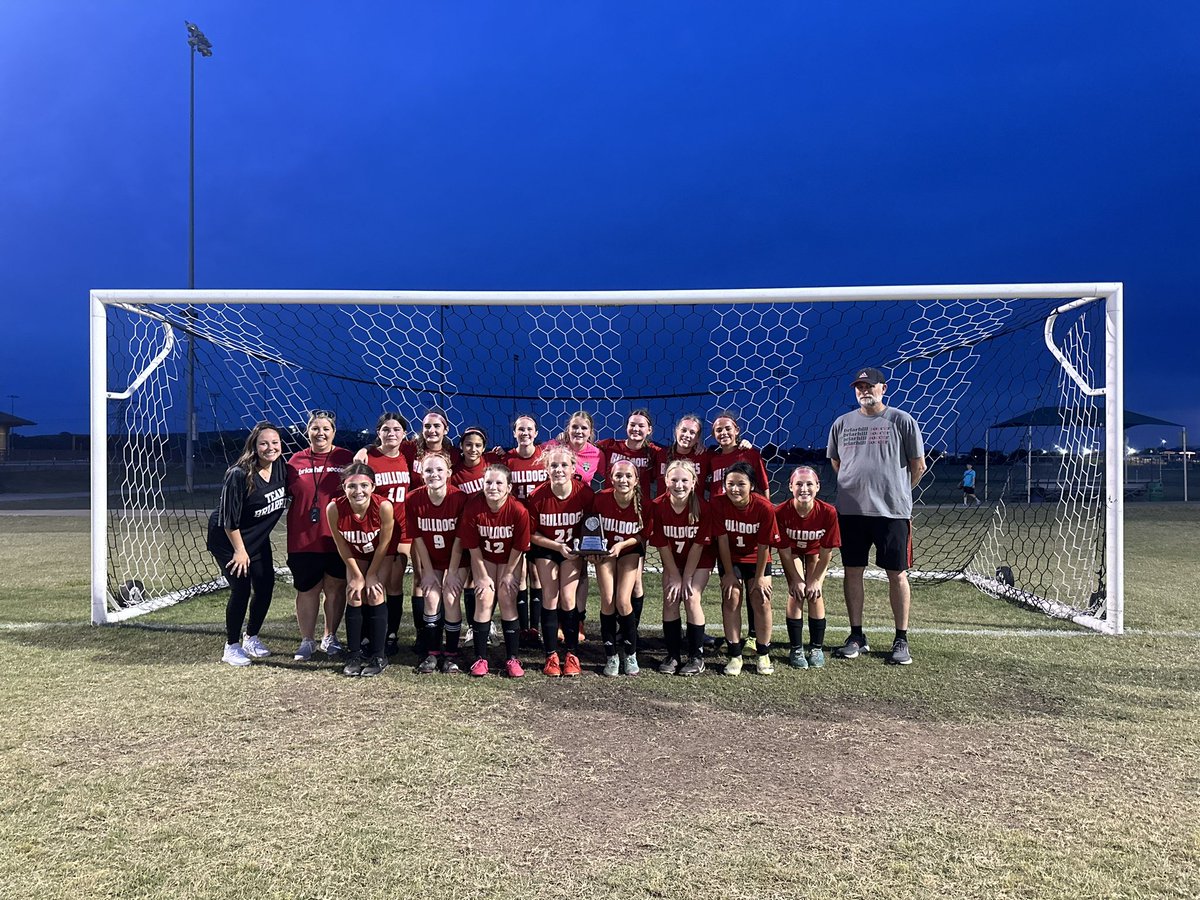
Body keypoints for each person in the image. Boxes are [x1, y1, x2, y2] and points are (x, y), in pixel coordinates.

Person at [827, 366, 926, 665]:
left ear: (883, 388)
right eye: (859, 387)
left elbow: (917, 466)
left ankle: (901, 639)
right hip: (851, 512)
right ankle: (857, 635)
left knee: (896, 574)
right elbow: (836, 462)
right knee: (852, 571)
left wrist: (896, 491)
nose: (864, 391)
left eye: (870, 386)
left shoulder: (901, 420)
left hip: (891, 512)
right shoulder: (842, 423)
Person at [207, 423, 288, 666]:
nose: (270, 447)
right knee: (241, 588)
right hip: (228, 540)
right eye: (264, 443)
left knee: (265, 585)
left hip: (256, 539)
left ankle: (250, 637)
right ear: (254, 446)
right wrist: (240, 551)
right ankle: (231, 646)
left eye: (275, 442)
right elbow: (229, 519)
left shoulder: (282, 468)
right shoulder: (239, 474)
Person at [286, 410, 354, 661]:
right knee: (307, 589)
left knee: (336, 587)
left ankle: (330, 636)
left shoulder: (345, 458)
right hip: (303, 539)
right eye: (315, 428)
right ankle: (307, 641)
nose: (321, 433)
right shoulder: (294, 461)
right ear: (308, 432)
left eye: (326, 428)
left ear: (334, 432)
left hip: (337, 537)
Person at [453, 463, 531, 677]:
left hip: (509, 559)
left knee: (506, 597)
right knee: (485, 598)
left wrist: (508, 573)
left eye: (499, 483)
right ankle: (480, 658)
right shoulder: (473, 507)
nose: (493, 487)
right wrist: (482, 576)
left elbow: (519, 547)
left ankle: (512, 658)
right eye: (488, 482)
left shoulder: (518, 510)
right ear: (482, 484)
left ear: (509, 487)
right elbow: (472, 546)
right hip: (484, 558)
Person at [705, 413, 771, 656]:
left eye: (727, 428)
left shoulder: (750, 454)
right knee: (730, 589)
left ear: (737, 430)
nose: (723, 433)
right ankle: (731, 638)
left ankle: (755, 636)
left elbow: (763, 489)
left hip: (749, 527)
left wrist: (760, 519)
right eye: (718, 430)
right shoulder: (711, 458)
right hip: (723, 524)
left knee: (757, 589)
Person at [527, 446, 593, 677]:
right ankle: (551, 655)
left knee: (568, 598)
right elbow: (532, 534)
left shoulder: (584, 493)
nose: (559, 469)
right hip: (548, 548)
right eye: (554, 465)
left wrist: (581, 546)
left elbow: (593, 525)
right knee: (550, 596)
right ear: (546, 469)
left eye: (564, 465)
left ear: (574, 468)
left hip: (572, 550)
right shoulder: (537, 496)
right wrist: (558, 547)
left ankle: (572, 654)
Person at [713, 461, 781, 676]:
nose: (734, 489)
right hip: (730, 558)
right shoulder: (718, 504)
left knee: (761, 599)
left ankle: (763, 653)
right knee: (731, 596)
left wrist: (761, 577)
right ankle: (735, 654)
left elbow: (764, 546)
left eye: (741, 484)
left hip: (757, 559)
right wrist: (729, 573)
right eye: (730, 483)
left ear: (751, 485)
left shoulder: (764, 507)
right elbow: (722, 541)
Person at [596, 408, 661, 634]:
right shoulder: (610, 446)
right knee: (610, 584)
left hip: (636, 519)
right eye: (632, 424)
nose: (636, 429)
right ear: (626, 427)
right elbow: (582, 447)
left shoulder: (654, 453)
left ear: (649, 430)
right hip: (609, 516)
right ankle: (614, 627)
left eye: (641, 425)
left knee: (635, 581)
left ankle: (630, 629)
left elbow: (680, 455)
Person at [327, 463, 394, 677]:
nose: (359, 491)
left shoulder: (384, 506)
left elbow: (384, 544)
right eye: (352, 486)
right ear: (344, 488)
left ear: (373, 487)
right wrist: (356, 575)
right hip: (355, 556)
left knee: (375, 593)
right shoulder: (334, 508)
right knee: (354, 593)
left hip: (379, 555)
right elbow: (341, 544)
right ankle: (354, 654)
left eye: (364, 485)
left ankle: (379, 655)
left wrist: (372, 574)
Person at [353, 413, 412, 656]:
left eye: (397, 429)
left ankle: (391, 635)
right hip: (376, 531)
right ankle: (368, 635)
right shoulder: (369, 458)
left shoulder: (408, 454)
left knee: (395, 584)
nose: (391, 434)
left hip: (403, 530)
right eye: (386, 429)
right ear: (378, 432)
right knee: (373, 583)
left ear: (404, 434)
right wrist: (364, 448)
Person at [649, 459, 714, 676]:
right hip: (673, 561)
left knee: (691, 596)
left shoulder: (703, 507)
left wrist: (686, 577)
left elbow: (698, 547)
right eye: (674, 479)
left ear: (694, 482)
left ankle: (696, 657)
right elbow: (662, 545)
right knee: (670, 597)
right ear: (666, 480)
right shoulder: (658, 506)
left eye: (684, 480)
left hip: (699, 561)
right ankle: (673, 655)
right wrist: (675, 575)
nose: (679, 485)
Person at [407, 452, 470, 674]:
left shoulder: (460, 498)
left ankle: (451, 655)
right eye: (429, 470)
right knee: (431, 598)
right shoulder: (413, 498)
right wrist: (426, 572)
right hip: (431, 558)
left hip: (456, 559)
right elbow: (418, 540)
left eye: (439, 470)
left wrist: (452, 572)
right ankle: (432, 653)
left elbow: (460, 541)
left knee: (451, 597)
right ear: (422, 474)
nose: (434, 474)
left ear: (449, 473)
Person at [589, 459, 653, 676]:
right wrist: (592, 549)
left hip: (628, 551)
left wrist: (622, 545)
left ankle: (630, 653)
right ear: (610, 478)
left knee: (623, 600)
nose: (623, 480)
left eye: (628, 476)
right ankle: (611, 656)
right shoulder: (601, 499)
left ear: (636, 480)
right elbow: (591, 528)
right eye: (618, 475)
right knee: (607, 600)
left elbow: (641, 537)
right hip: (606, 552)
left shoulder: (644, 504)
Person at [775, 466, 841, 669]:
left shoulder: (828, 512)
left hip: (815, 553)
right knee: (797, 592)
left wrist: (816, 581)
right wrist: (795, 579)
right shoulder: (780, 512)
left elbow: (826, 552)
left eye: (809, 484)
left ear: (818, 487)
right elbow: (785, 552)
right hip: (792, 552)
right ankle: (796, 648)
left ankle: (816, 647)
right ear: (790, 487)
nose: (804, 489)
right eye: (799, 484)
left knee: (814, 593)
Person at [504, 414, 547, 646]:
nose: (525, 433)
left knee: (537, 576)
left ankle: (536, 628)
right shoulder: (507, 460)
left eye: (529, 429)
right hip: (516, 527)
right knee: (519, 576)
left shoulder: (544, 458)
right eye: (520, 429)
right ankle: (523, 629)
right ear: (514, 433)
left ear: (536, 433)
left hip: (541, 527)